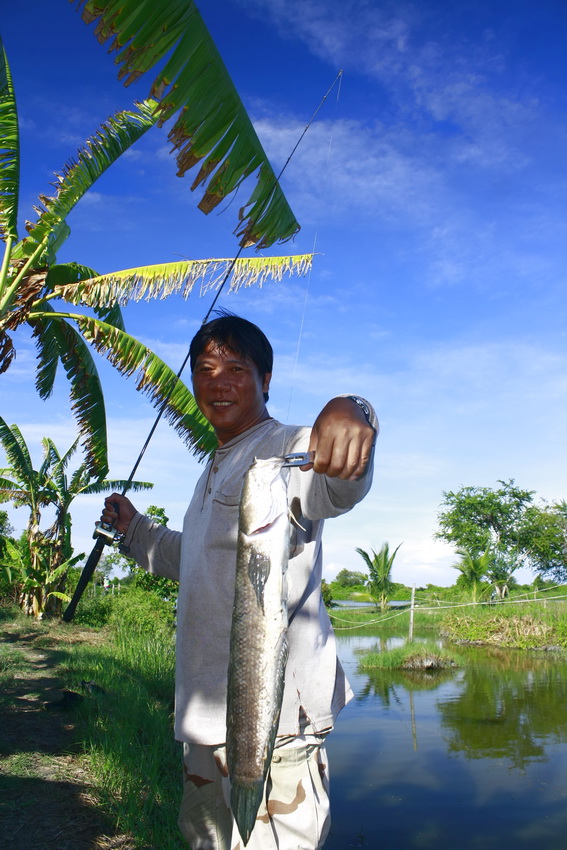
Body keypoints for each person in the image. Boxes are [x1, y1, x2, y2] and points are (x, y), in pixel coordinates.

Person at [101, 313, 378, 850]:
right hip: (204, 725)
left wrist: (353, 410)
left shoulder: (287, 448)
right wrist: (134, 530)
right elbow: (195, 560)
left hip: (279, 731)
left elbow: (340, 485)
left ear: (265, 380)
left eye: (235, 367)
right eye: (205, 369)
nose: (217, 380)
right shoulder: (215, 466)